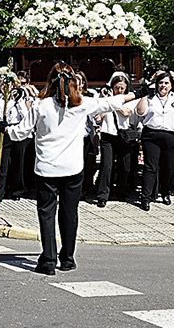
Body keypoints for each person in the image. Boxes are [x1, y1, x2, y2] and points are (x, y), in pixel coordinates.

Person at [31, 63, 132, 274]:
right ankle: (67, 258)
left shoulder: (40, 105)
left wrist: (7, 129)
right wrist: (132, 95)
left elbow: (22, 131)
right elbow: (108, 103)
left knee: (47, 214)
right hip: (72, 168)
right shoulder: (81, 104)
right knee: (70, 213)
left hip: (47, 168)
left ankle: (48, 260)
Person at [135, 70, 174, 209]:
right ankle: (146, 197)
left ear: (171, 85)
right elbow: (140, 112)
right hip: (152, 135)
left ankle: (166, 192)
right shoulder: (150, 97)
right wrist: (144, 94)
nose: (163, 86)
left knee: (169, 166)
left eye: (166, 83)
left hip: (171, 135)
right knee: (150, 167)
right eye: (160, 83)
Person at [93, 72, 139, 207]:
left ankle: (121, 190)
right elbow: (99, 117)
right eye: (117, 87)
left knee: (125, 165)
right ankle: (102, 194)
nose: (119, 90)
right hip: (108, 134)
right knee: (106, 165)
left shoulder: (129, 99)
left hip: (123, 135)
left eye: (122, 88)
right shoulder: (105, 99)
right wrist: (105, 102)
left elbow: (126, 112)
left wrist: (112, 102)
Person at [0, 74, 37, 200]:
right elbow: (0, 115)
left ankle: (16, 190)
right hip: (5, 128)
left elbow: (26, 116)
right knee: (3, 163)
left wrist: (19, 101)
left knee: (18, 163)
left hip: (19, 130)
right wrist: (9, 102)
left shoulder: (23, 99)